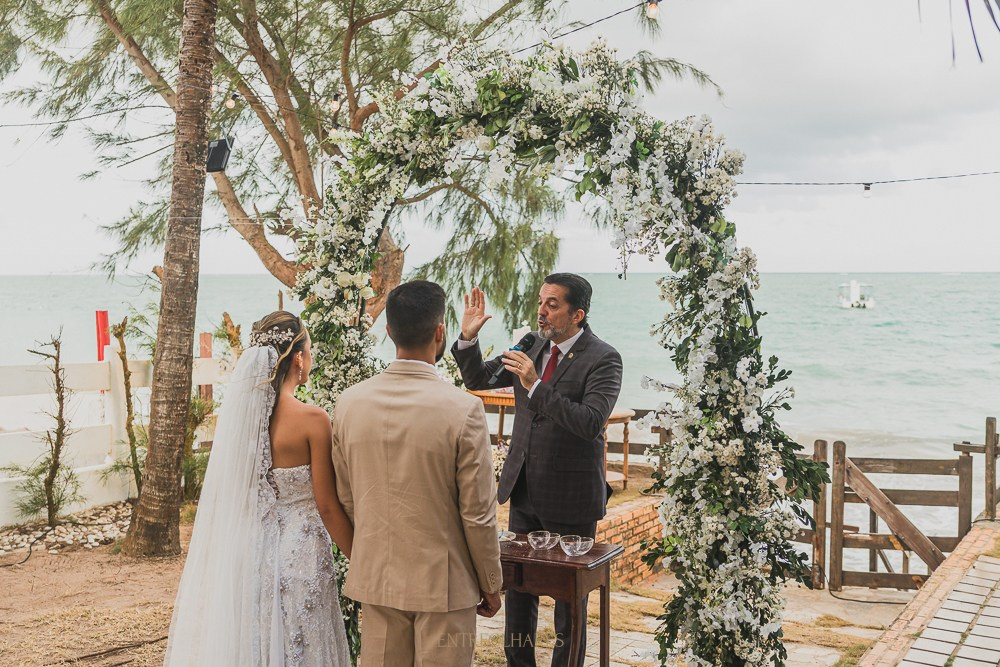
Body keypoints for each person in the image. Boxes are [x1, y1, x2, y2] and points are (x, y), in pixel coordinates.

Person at [451, 273, 623, 667]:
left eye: (553, 304)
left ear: (577, 314)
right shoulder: (531, 343)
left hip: (572, 499)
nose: (542, 311)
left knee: (569, 606)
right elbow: (479, 378)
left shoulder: (604, 358)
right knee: (520, 594)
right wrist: (468, 338)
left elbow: (590, 421)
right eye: (541, 301)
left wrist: (534, 384)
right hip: (523, 489)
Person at [165, 311, 353, 666]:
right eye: (309, 350)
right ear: (298, 358)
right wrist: (360, 557)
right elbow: (327, 506)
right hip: (302, 553)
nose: (310, 358)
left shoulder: (244, 424)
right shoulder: (313, 420)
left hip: (252, 550)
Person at [331, 280, 503, 667]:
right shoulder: (463, 409)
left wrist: (373, 552)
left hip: (378, 579)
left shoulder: (349, 403)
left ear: (388, 330)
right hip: (444, 584)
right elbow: (477, 514)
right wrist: (491, 583)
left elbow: (347, 497)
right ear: (441, 332)